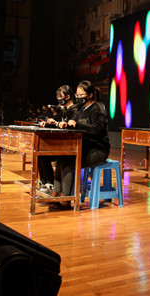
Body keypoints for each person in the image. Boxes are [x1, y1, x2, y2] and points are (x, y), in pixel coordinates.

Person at [52, 80, 110, 211]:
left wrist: (77, 124)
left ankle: (65, 200)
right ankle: (55, 195)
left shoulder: (98, 108)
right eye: (77, 95)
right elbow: (75, 123)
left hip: (98, 149)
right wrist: (66, 124)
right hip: (85, 147)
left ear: (90, 95)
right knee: (61, 159)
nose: (78, 97)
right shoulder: (82, 108)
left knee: (68, 163)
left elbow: (97, 130)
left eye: (81, 95)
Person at [37, 85, 79, 192]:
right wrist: (47, 123)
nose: (58, 99)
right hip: (62, 144)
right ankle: (44, 182)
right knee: (39, 154)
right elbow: (56, 122)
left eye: (60, 96)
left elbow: (70, 127)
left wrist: (57, 123)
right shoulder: (64, 110)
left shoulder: (74, 110)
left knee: (44, 156)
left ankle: (50, 183)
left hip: (69, 146)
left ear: (68, 97)